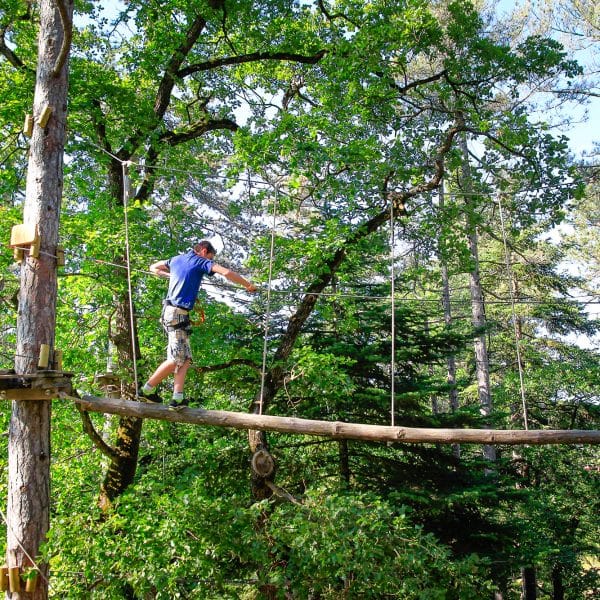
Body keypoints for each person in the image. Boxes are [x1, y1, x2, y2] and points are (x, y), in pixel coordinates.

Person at [138, 240, 257, 409]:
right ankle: (146, 390)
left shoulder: (176, 259)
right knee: (174, 360)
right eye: (210, 256)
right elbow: (227, 272)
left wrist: (171, 276)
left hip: (177, 314)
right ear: (203, 251)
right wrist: (248, 285)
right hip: (176, 314)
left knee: (185, 358)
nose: (211, 260)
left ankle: (177, 398)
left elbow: (153, 267)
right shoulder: (200, 261)